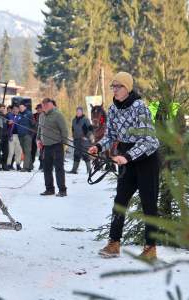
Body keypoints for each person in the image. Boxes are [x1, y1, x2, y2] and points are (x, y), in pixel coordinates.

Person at [89, 72, 160, 261]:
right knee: (120, 201)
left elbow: (147, 140)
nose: (115, 89)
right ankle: (114, 243)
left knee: (149, 204)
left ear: (127, 88)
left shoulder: (141, 108)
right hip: (126, 157)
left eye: (118, 86)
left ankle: (150, 248)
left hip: (147, 158)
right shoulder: (112, 109)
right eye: (113, 86)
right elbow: (111, 135)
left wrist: (127, 157)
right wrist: (98, 146)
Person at [37, 98, 68, 197]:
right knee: (46, 168)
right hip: (46, 146)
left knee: (59, 168)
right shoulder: (41, 116)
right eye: (42, 106)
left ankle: (62, 190)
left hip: (57, 145)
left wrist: (64, 143)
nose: (43, 108)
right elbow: (39, 129)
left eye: (45, 106)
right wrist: (38, 139)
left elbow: (64, 130)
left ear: (50, 105)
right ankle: (49, 189)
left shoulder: (58, 115)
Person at [67, 106, 94, 174]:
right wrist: (73, 136)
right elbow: (73, 129)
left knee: (85, 155)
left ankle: (89, 170)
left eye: (79, 111)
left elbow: (90, 129)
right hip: (76, 140)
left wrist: (88, 137)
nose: (78, 113)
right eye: (77, 111)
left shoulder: (85, 119)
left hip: (84, 140)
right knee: (76, 154)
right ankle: (74, 170)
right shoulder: (74, 120)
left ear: (82, 112)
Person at [17, 103, 34, 172]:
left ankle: (25, 167)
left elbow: (33, 123)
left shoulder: (29, 114)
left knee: (27, 151)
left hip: (27, 135)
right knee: (24, 151)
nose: (20, 108)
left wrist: (31, 133)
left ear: (25, 107)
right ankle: (30, 166)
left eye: (21, 107)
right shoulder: (19, 115)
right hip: (20, 135)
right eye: (19, 107)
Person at [6, 105, 22, 170]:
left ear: (18, 110)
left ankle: (18, 164)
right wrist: (8, 122)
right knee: (11, 151)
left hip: (19, 136)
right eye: (14, 109)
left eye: (17, 109)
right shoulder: (9, 115)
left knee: (18, 151)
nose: (15, 110)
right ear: (12, 110)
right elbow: (5, 122)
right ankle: (8, 164)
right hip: (11, 135)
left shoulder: (21, 116)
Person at [0, 104, 9, 171]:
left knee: (6, 151)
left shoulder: (6, 116)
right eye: (2, 108)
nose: (3, 109)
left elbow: (8, 124)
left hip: (6, 136)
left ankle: (4, 165)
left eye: (4, 108)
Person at [33, 104, 44, 170]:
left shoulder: (44, 115)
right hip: (34, 134)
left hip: (42, 135)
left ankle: (42, 164)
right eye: (37, 108)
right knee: (33, 150)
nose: (38, 110)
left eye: (40, 108)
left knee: (42, 151)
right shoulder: (34, 115)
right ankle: (31, 163)